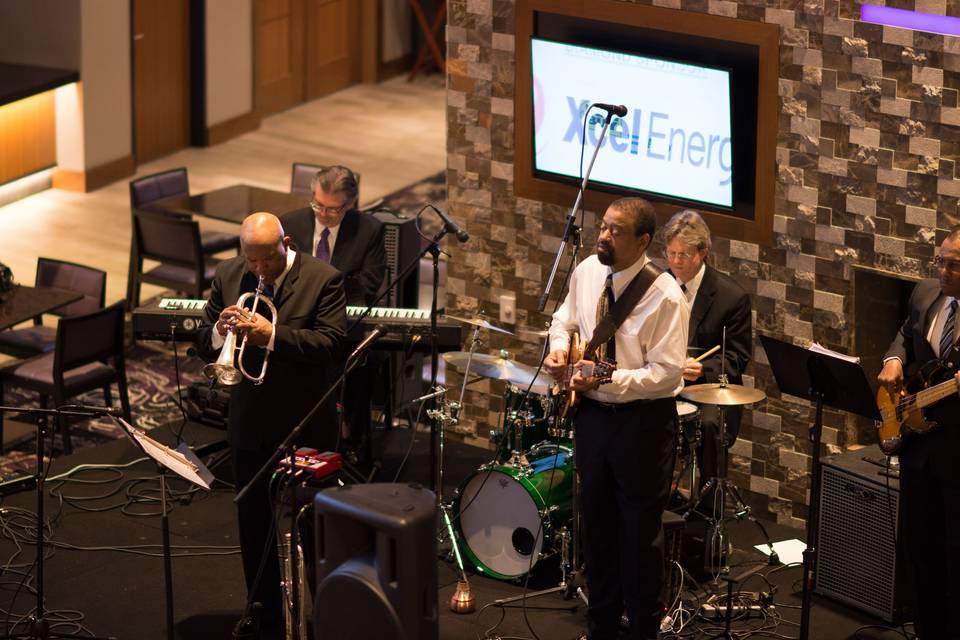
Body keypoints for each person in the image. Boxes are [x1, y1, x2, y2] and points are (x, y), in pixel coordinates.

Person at [544, 197, 688, 640]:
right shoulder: (588, 271)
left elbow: (665, 377)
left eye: (616, 231)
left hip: (642, 426)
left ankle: (644, 628)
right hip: (593, 420)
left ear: (643, 240)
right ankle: (601, 625)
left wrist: (606, 382)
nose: (603, 236)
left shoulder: (666, 296)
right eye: (603, 227)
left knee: (640, 538)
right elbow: (564, 319)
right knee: (596, 528)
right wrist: (559, 348)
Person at [197, 212, 346, 640]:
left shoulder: (325, 279)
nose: (259, 271)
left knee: (313, 521)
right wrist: (217, 333)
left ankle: (330, 612)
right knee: (253, 519)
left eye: (267, 260)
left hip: (306, 420)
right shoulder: (229, 274)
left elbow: (332, 344)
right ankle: (262, 611)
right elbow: (202, 335)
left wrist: (272, 335)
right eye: (252, 262)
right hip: (251, 418)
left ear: (287, 242)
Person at [878, 226, 960, 640]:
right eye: (940, 261)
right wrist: (894, 358)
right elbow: (905, 334)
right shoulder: (926, 293)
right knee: (920, 556)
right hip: (918, 448)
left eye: (954, 265)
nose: (943, 271)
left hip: (958, 457)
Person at [282, 165, 386, 461]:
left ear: (350, 204)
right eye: (318, 205)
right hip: (299, 321)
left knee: (362, 361)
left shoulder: (369, 230)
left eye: (332, 210)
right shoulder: (289, 223)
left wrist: (325, 290)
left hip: (344, 324)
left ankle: (350, 437)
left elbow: (370, 283)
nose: (322, 214)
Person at [661, 209, 751, 500]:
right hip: (661, 379)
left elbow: (736, 358)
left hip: (705, 389)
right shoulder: (656, 284)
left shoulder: (731, 297)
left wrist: (703, 370)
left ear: (703, 253)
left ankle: (707, 513)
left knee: (711, 425)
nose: (675, 262)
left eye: (683, 255)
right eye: (671, 253)